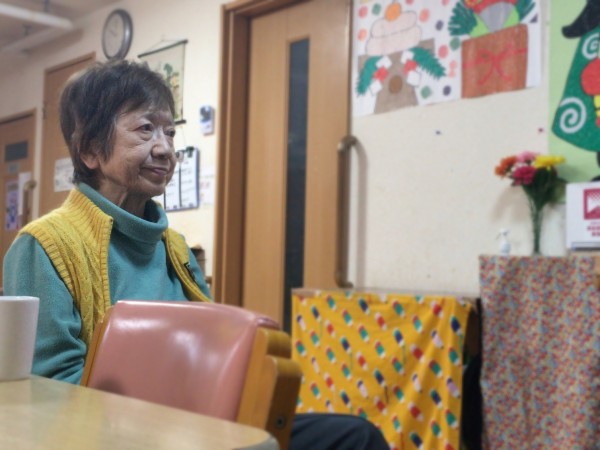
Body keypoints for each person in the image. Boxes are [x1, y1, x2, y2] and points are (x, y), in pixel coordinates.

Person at [3, 60, 388, 450]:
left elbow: (213, 351)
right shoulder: (45, 245)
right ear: (90, 151)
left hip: (199, 421)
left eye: (170, 132)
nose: (165, 149)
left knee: (356, 437)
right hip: (116, 435)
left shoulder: (175, 247)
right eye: (145, 129)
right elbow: (51, 391)